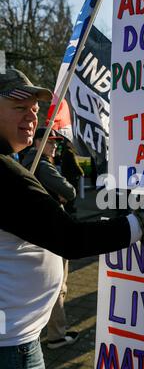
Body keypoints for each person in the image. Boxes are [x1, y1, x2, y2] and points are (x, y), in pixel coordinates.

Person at [0, 68, 144, 369]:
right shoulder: (4, 172)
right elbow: (70, 239)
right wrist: (141, 223)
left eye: (36, 107)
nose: (32, 114)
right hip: (11, 347)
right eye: (18, 103)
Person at [22, 127, 78, 349]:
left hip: (33, 231)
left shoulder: (25, 162)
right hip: (51, 231)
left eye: (57, 143)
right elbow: (70, 191)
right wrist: (62, 193)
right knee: (57, 284)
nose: (55, 146)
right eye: (50, 142)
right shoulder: (42, 165)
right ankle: (55, 335)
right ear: (37, 142)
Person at [60, 139, 84, 214]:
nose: (74, 144)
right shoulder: (70, 153)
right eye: (72, 142)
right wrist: (81, 172)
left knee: (70, 192)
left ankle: (69, 207)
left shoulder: (65, 152)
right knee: (73, 192)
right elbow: (75, 165)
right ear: (68, 144)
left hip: (67, 175)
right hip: (71, 176)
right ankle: (69, 208)